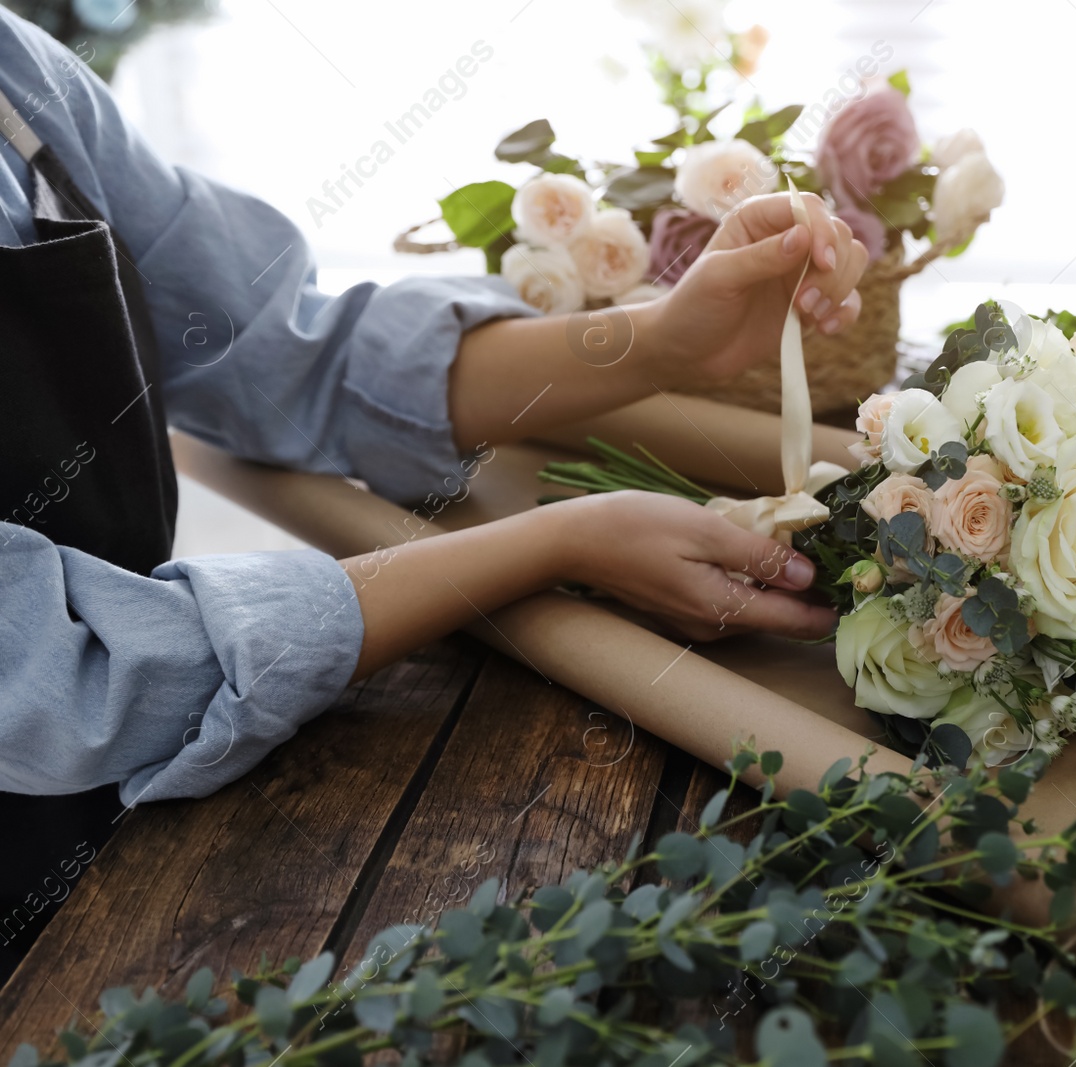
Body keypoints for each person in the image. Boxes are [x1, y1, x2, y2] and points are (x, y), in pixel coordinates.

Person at [0, 7, 867, 973]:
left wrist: (663, 338)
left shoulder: (16, 74)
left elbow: (292, 351)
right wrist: (555, 544)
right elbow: (61, 675)